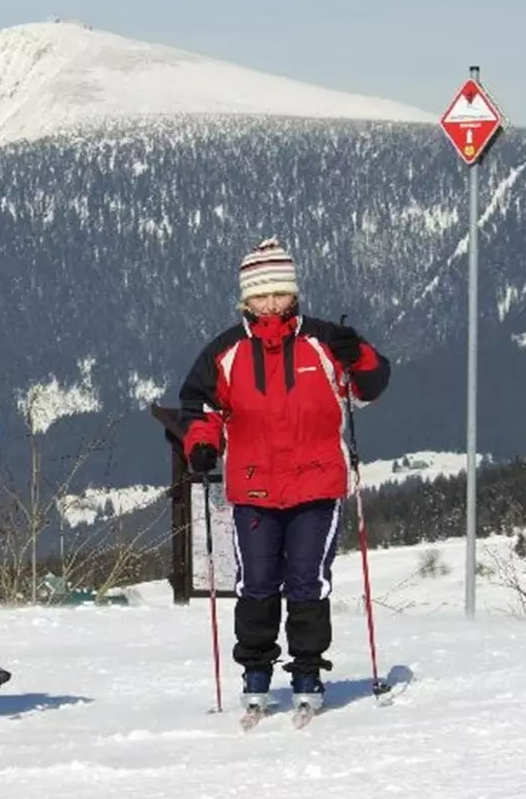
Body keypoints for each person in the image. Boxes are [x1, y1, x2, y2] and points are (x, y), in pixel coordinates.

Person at [177, 237, 390, 710]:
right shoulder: (225, 352)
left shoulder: (325, 341)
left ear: (294, 294)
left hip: (317, 484)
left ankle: (308, 674)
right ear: (245, 300)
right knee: (256, 580)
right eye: (260, 295)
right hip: (253, 487)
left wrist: (358, 355)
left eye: (278, 293)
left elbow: (370, 386)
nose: (270, 303)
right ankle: (255, 672)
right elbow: (199, 405)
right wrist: (203, 443)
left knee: (307, 580)